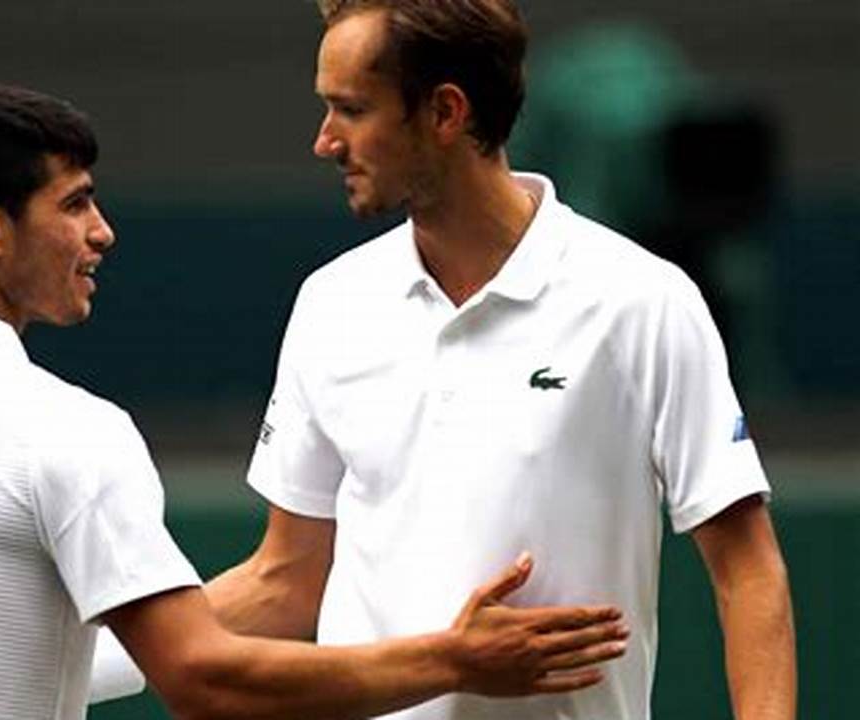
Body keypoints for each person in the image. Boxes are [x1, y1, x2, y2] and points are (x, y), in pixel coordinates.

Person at [0, 80, 630, 720]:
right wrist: (454, 662)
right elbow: (203, 675)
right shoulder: (71, 433)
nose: (103, 233)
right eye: (75, 204)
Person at [202, 2, 796, 719]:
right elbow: (283, 579)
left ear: (445, 113)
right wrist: (79, 650)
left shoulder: (641, 300)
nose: (324, 141)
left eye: (350, 110)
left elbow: (747, 572)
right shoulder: (331, 303)